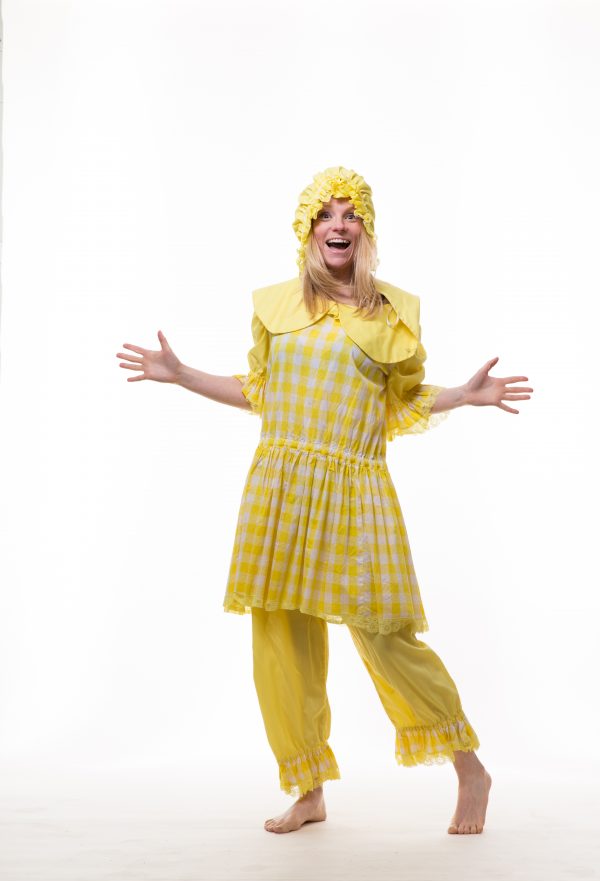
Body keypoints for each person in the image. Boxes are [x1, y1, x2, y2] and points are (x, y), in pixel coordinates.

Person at [116, 166, 533, 836]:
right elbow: (261, 392)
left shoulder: (392, 313)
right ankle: (308, 790)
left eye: (350, 214)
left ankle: (470, 769)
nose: (338, 226)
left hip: (355, 492)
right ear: (308, 230)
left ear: (365, 229)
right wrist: (183, 374)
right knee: (281, 641)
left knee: (386, 637)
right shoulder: (277, 306)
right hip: (280, 490)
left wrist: (462, 395)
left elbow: (402, 402)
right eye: (325, 215)